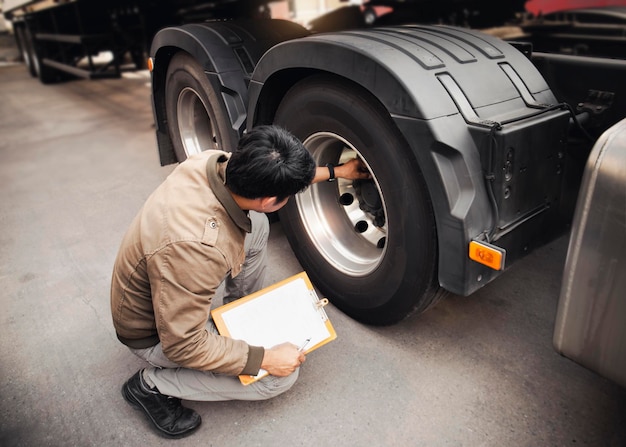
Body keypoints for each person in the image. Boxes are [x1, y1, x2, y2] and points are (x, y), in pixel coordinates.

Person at [110, 125, 369, 438]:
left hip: (166, 287)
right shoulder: (198, 248)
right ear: (270, 199)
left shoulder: (212, 163)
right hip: (154, 335)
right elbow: (182, 345)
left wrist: (337, 171)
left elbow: (277, 178)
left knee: (256, 224)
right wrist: (266, 358)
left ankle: (238, 314)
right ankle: (151, 386)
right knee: (277, 379)